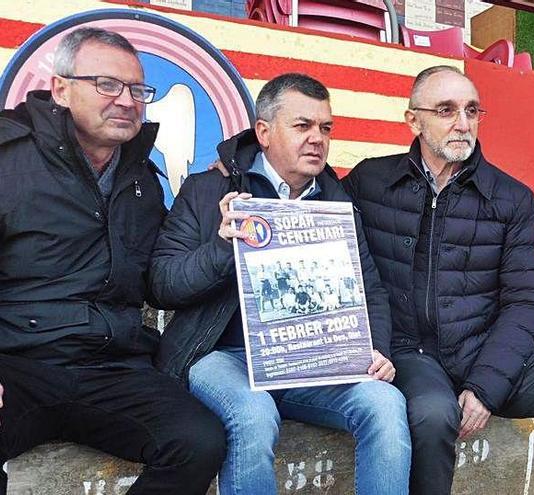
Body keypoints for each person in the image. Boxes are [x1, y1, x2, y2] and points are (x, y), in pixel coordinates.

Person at [343, 65, 534, 495]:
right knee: (433, 413)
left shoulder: (511, 198)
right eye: (446, 110)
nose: (462, 123)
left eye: (471, 110)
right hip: (410, 353)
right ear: (414, 120)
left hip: (483, 351)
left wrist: (485, 386)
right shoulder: (370, 180)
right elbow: (307, 197)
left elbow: (527, 301)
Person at [150, 72, 411, 495]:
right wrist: (221, 248)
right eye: (303, 126)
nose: (317, 139)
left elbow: (370, 288)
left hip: (309, 360)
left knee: (385, 403)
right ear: (264, 132)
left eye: (326, 128)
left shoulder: (337, 200)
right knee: (252, 415)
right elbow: (162, 283)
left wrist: (376, 348)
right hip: (222, 355)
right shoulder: (208, 189)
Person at [0, 27, 226, 495]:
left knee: (198, 441)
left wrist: (214, 204)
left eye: (138, 90)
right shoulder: (9, 158)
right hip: (18, 363)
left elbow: (162, 282)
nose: (126, 100)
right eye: (107, 84)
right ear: (61, 89)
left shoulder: (141, 179)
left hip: (112, 368)